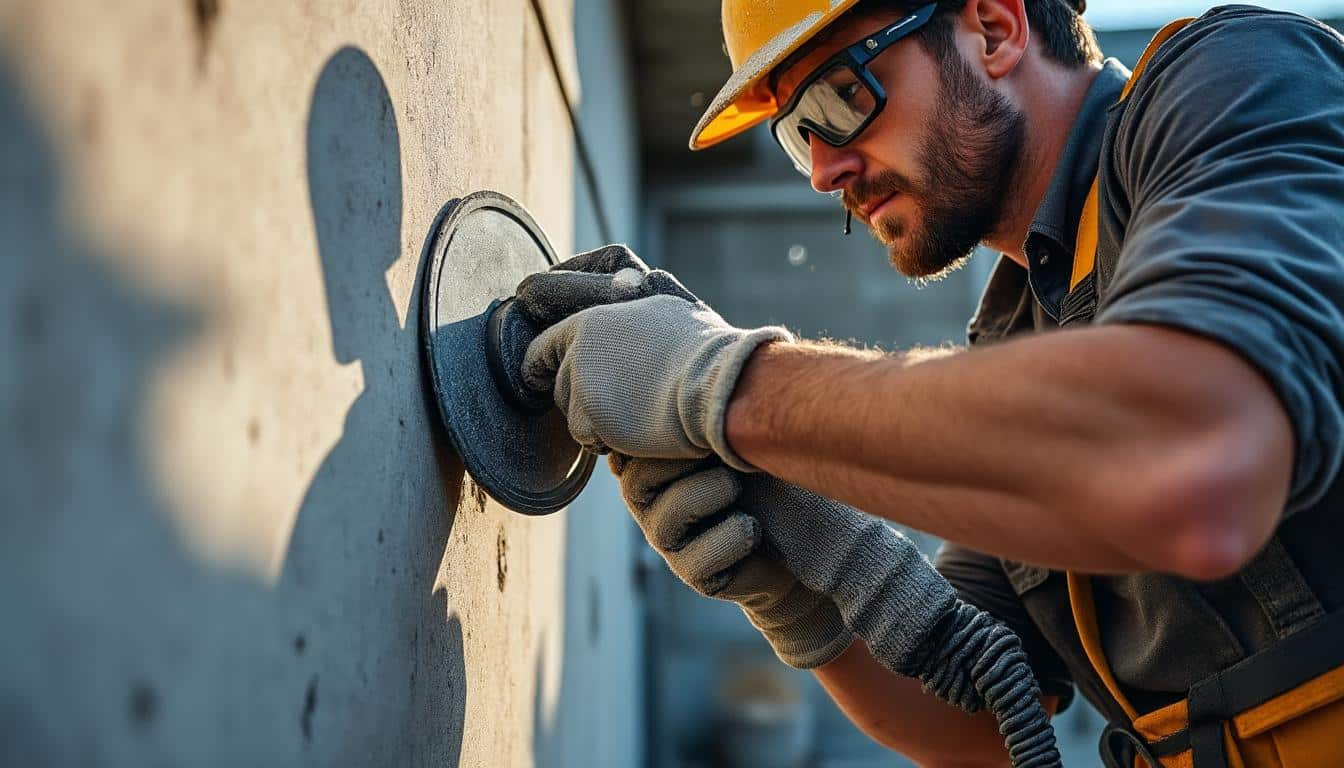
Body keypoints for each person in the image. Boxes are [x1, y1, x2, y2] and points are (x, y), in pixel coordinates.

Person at [513, 1, 1344, 765]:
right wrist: (799, 584)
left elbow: (1200, 464)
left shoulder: (1235, 81)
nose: (823, 171)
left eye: (842, 97)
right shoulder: (1017, 333)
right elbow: (985, 712)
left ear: (993, 28)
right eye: (800, 134)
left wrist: (722, 388)